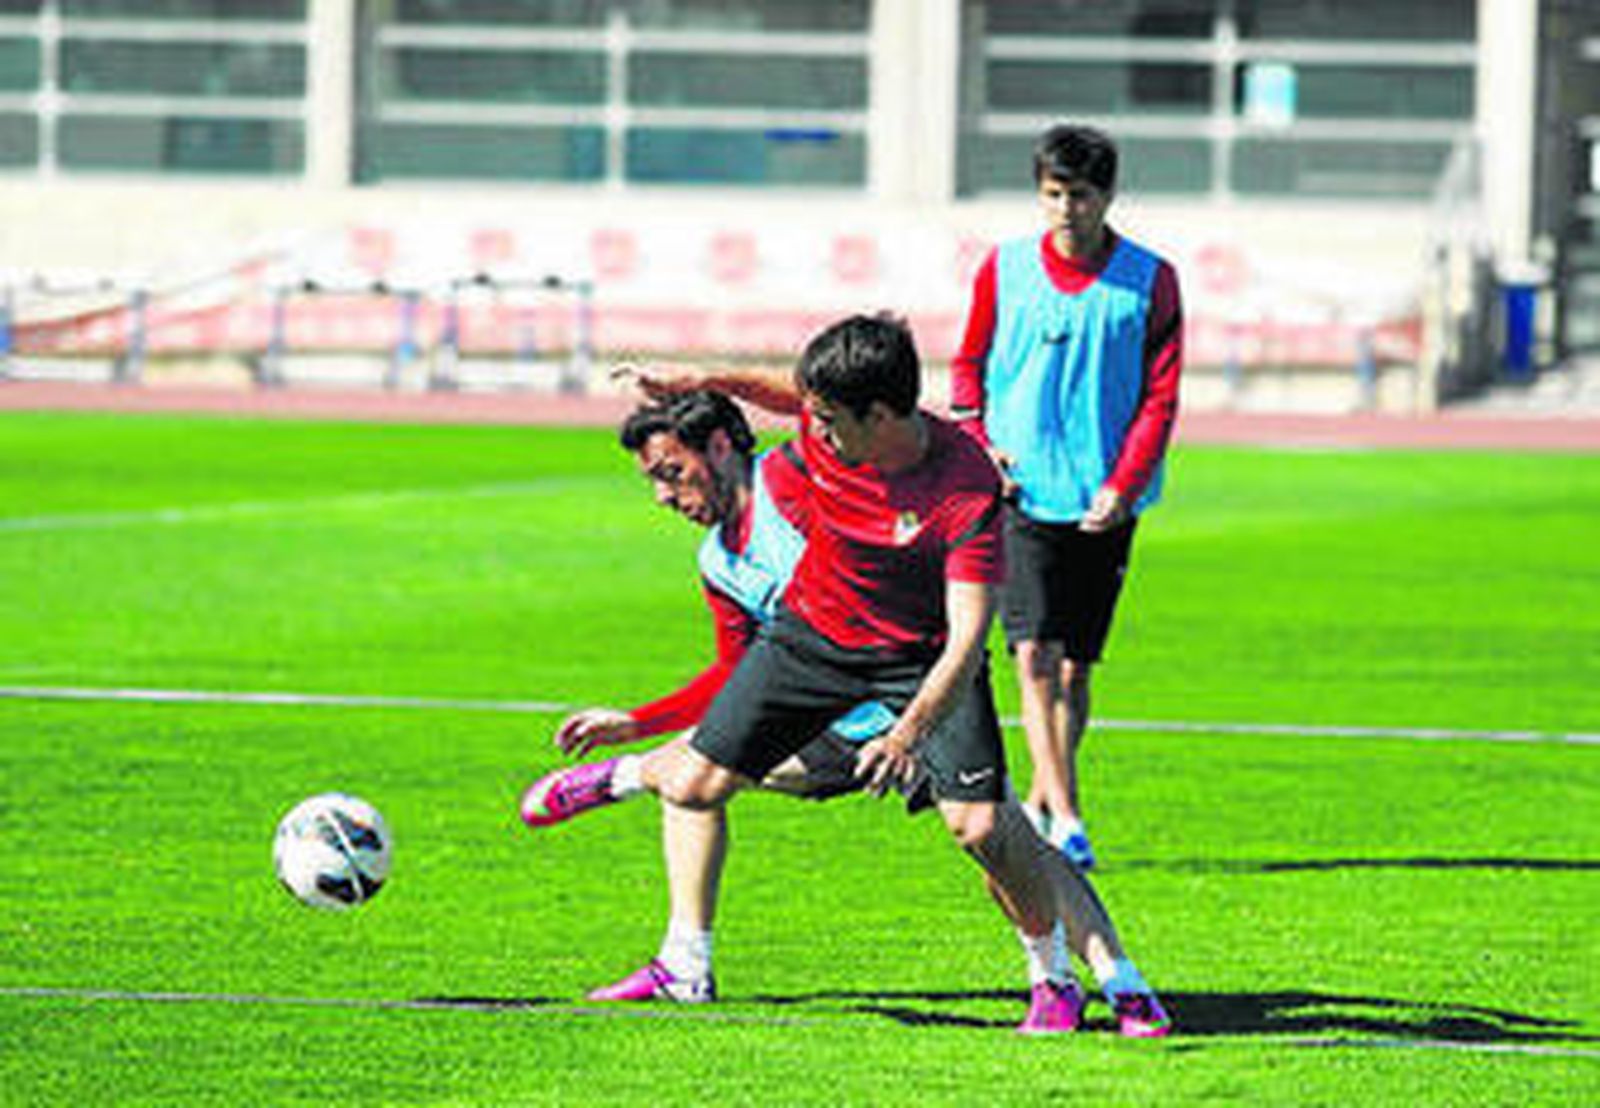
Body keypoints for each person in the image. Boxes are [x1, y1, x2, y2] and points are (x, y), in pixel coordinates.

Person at [523, 316, 1171, 1036]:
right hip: (815, 643)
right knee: (692, 783)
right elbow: (782, 397)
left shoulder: (961, 484)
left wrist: (908, 732)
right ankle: (664, 898)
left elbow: (965, 638)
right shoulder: (808, 452)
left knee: (988, 827)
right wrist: (692, 380)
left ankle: (1081, 979)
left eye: (829, 420)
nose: (814, 432)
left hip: (920, 668)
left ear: (883, 415)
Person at [524, 389, 917, 1004]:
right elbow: (738, 675)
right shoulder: (718, 561)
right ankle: (684, 965)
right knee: (691, 783)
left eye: (671, 473)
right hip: (832, 723)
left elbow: (822, 404)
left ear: (718, 446)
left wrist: (714, 376)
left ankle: (625, 779)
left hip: (906, 702)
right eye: (653, 481)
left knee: (999, 835)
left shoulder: (789, 481)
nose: (662, 495)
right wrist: (636, 721)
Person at [950, 123, 1183, 871]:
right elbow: (968, 364)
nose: (1064, 209)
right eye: (1052, 194)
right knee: (1032, 655)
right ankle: (1068, 811)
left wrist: (1124, 485)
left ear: (1107, 195)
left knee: (1076, 669)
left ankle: (1047, 800)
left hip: (1105, 500)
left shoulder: (1151, 280)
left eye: (1079, 194)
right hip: (1020, 493)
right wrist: (983, 447)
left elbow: (1160, 397)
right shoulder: (1004, 269)